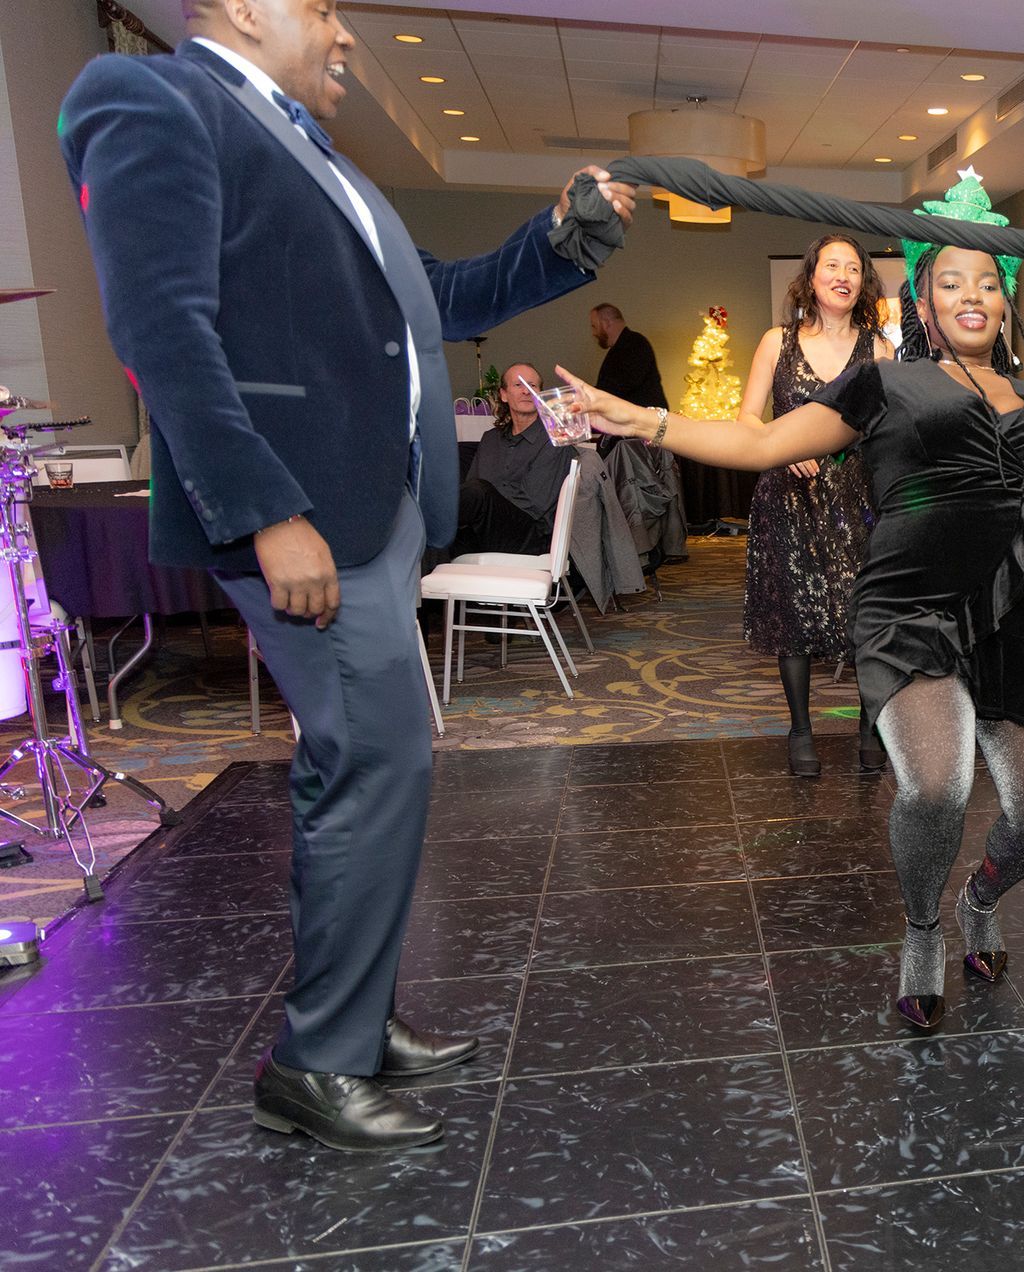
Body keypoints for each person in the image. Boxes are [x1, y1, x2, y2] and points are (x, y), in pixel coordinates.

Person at [61, 0, 635, 1149]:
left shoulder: (323, 159)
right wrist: (268, 510)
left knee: (374, 765)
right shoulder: (151, 98)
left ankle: (355, 1022)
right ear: (240, 6)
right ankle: (317, 1062)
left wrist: (565, 237)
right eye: (322, 6)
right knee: (374, 760)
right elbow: (162, 328)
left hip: (370, 514)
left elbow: (444, 298)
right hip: (303, 512)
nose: (344, 35)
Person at [555, 171, 1024, 1032]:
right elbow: (764, 439)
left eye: (989, 282)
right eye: (951, 279)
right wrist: (644, 419)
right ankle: (922, 930)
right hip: (910, 609)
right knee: (934, 788)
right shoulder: (884, 386)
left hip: (1022, 617)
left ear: (1006, 301)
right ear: (922, 297)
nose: (972, 294)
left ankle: (979, 901)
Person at [736, 234, 892, 776]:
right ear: (812, 275)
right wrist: (784, 447)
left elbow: (887, 430)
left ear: (864, 283)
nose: (843, 275)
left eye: (853, 268)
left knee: (868, 615)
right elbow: (748, 420)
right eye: (832, 265)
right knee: (794, 615)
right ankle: (800, 729)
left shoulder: (878, 350)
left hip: (858, 502)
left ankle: (871, 724)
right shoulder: (775, 342)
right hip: (788, 500)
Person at [451, 362, 577, 557]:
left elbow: (534, 504)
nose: (526, 391)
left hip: (530, 537)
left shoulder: (555, 439)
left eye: (532, 386)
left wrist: (488, 501)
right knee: (437, 538)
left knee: (477, 492)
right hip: (485, 530)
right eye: (518, 385)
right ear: (503, 394)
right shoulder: (490, 439)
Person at [590, 302, 667, 409]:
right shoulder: (626, 345)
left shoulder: (634, 344)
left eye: (594, 326)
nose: (593, 333)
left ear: (606, 323)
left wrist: (588, 394)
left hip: (648, 421)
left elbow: (620, 386)